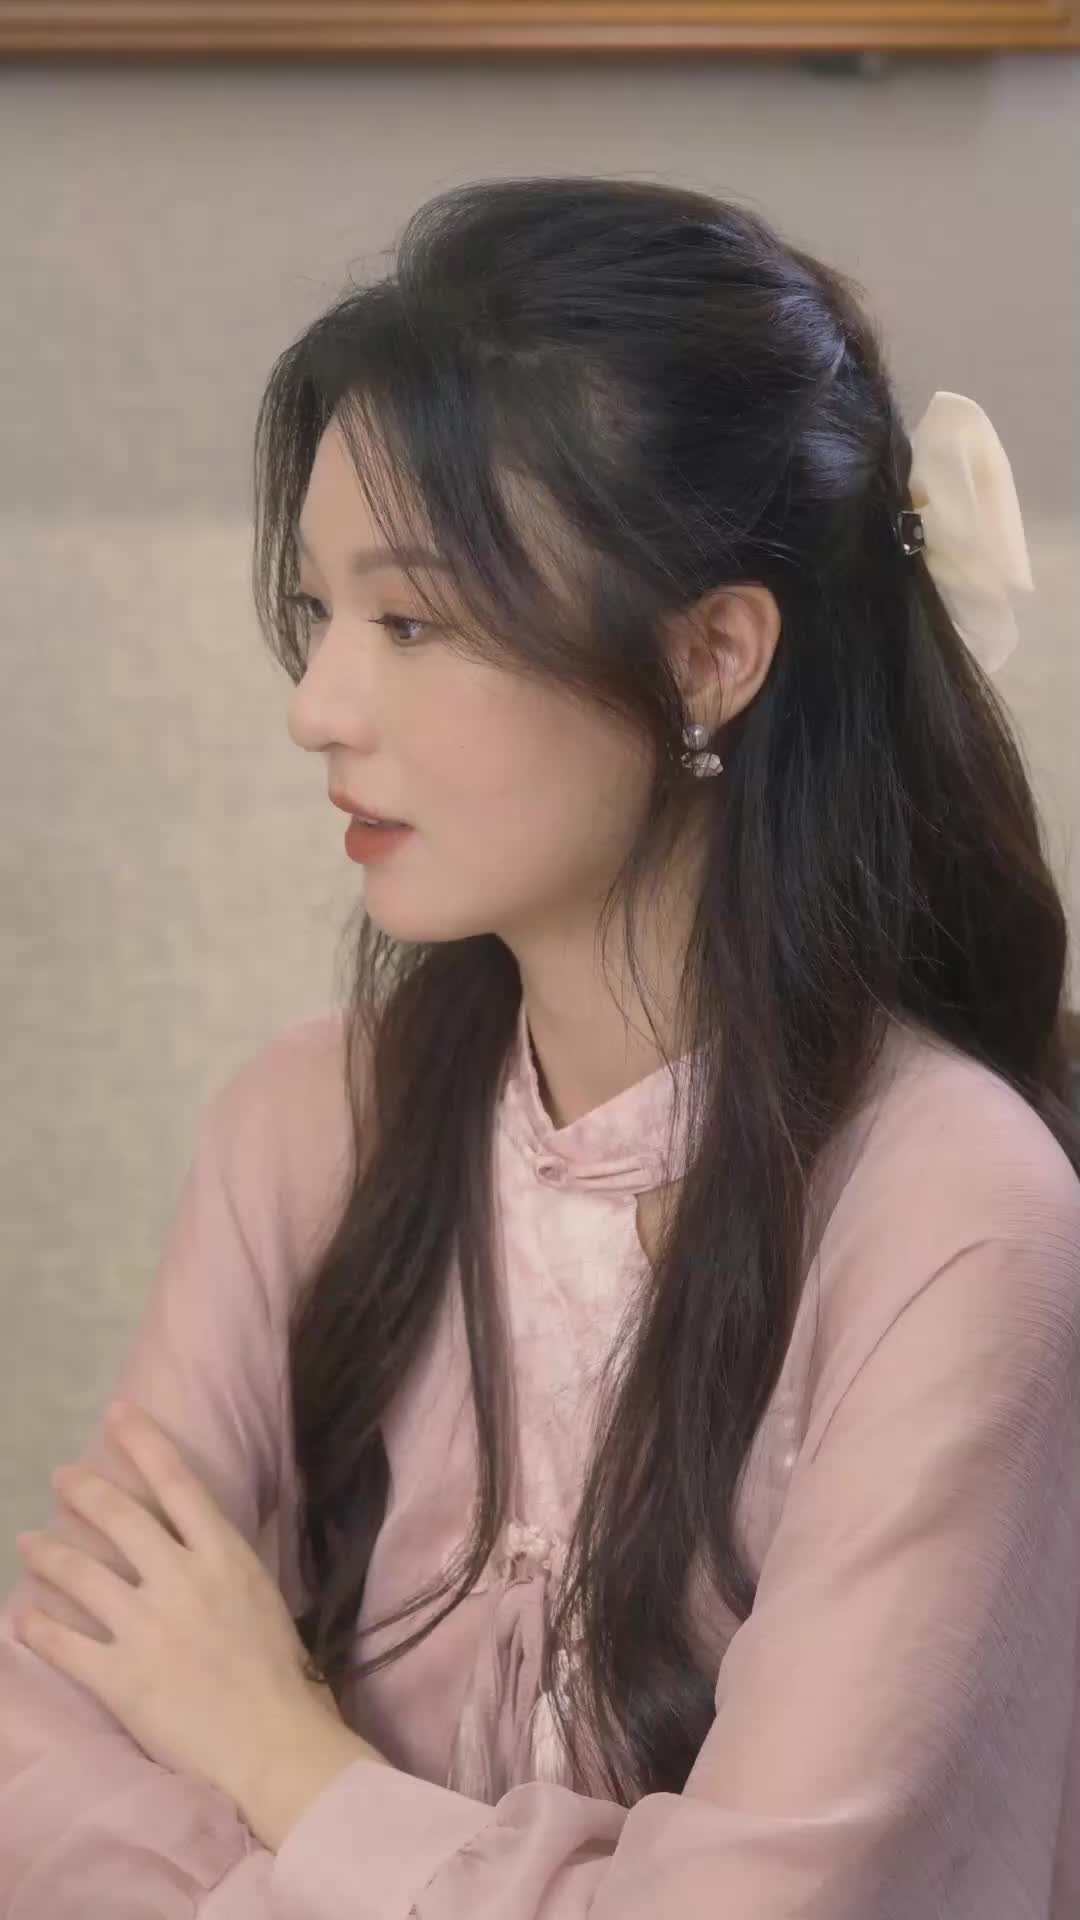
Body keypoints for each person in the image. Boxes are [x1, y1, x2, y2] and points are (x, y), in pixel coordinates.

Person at [2, 175, 1079, 1920]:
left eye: (413, 622)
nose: (318, 706)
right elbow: (39, 1739)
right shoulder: (308, 1125)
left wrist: (285, 1761)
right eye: (321, 614)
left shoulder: (956, 1217)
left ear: (712, 656)